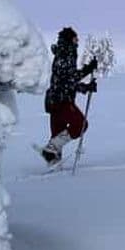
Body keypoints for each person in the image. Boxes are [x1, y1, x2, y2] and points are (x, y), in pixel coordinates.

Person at [40, 27, 98, 164]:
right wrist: (85, 87)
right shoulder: (66, 54)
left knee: (58, 132)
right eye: (75, 38)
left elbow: (69, 77)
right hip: (61, 100)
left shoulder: (64, 53)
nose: (77, 41)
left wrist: (88, 69)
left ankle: (53, 165)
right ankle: (50, 149)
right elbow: (67, 82)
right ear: (69, 40)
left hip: (54, 100)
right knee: (80, 125)